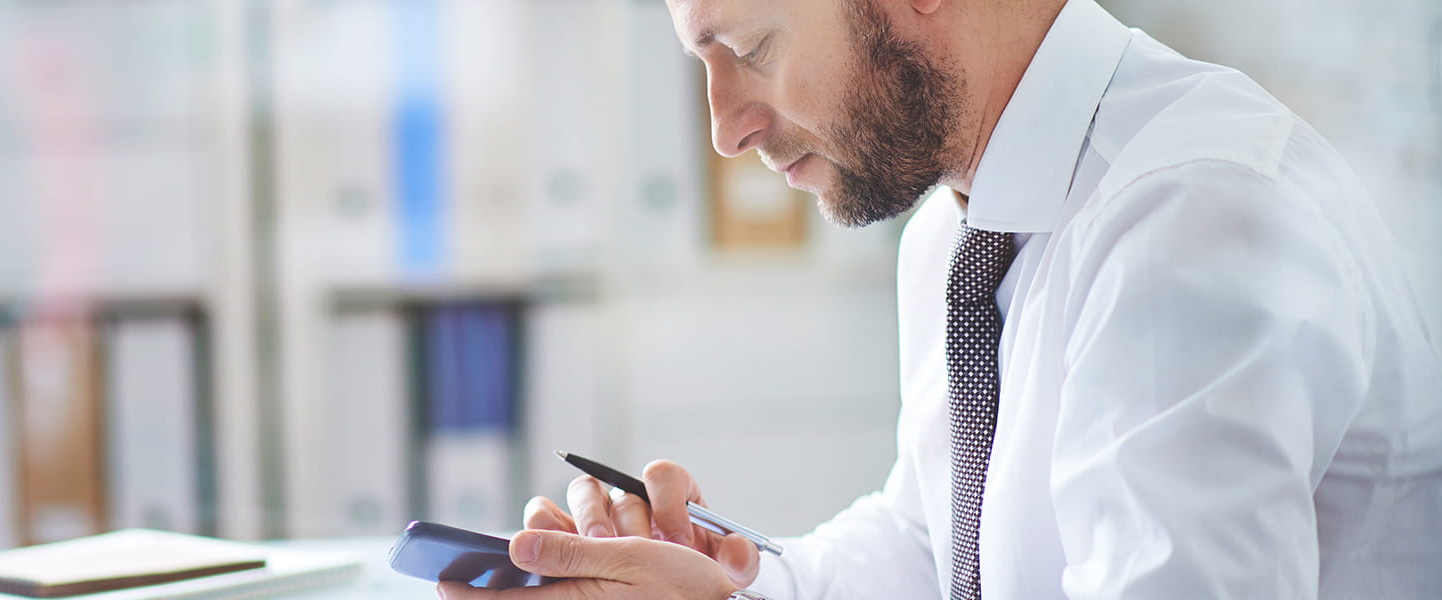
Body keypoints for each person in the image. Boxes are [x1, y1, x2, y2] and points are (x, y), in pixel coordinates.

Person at [438, 0, 1442, 598]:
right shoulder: (960, 224)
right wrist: (727, 578)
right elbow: (936, 547)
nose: (725, 129)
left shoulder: (1191, 221)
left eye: (748, 49)